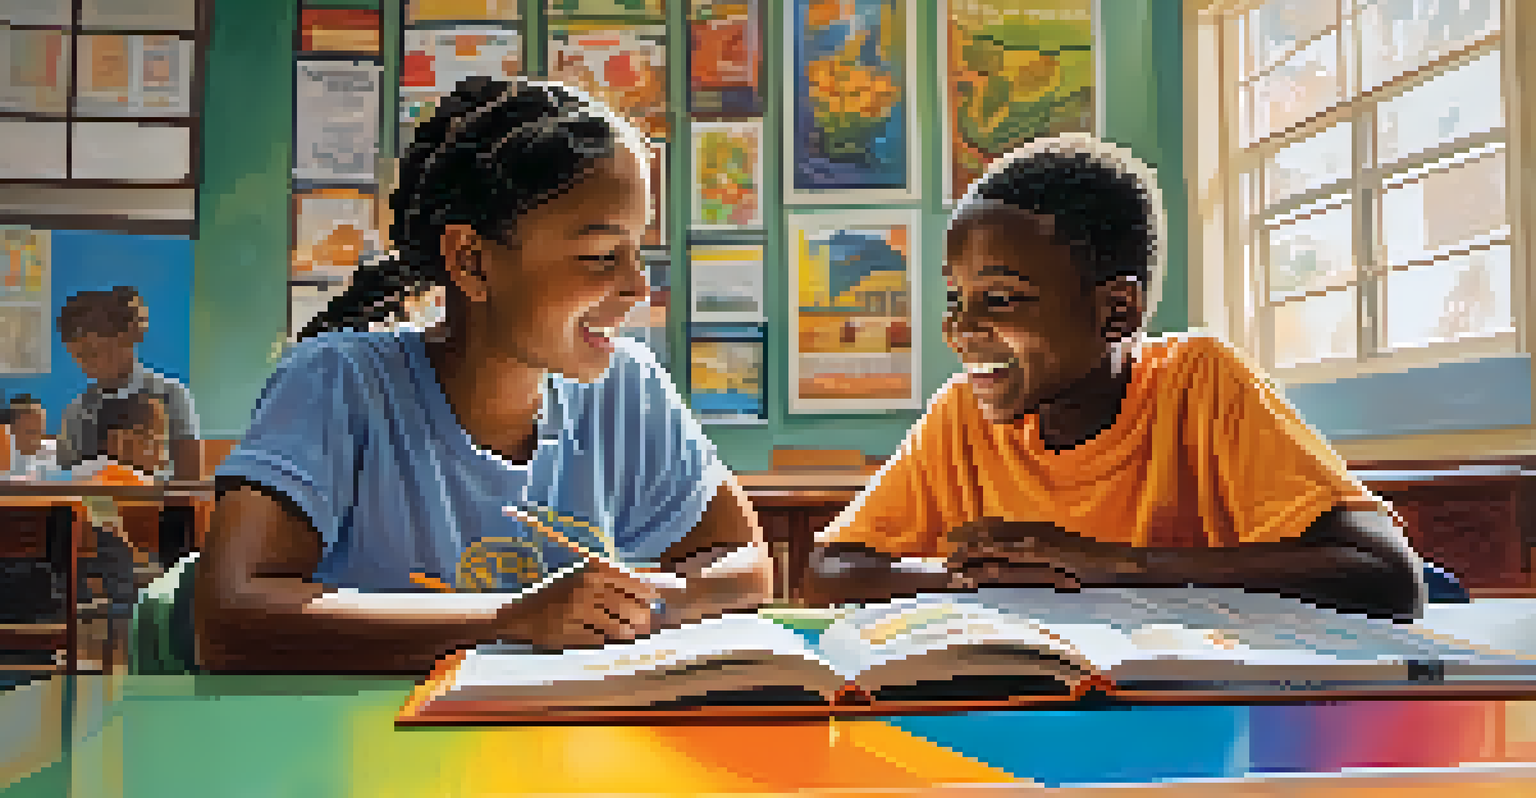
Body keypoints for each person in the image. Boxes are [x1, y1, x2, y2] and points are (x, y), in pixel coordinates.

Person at [198, 77, 773, 674]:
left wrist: (652, 602)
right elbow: (228, 617)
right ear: (471, 261)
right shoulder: (338, 385)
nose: (637, 287)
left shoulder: (628, 386)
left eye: (637, 252)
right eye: (602, 255)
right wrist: (513, 619)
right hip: (373, 751)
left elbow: (742, 561)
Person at [801, 134, 1426, 621]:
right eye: (957, 298)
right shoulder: (961, 415)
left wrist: (1111, 565)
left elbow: (1387, 575)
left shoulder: (1202, 384)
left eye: (999, 299)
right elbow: (831, 571)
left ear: (1115, 311)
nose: (961, 329)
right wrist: (988, 578)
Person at [55, 287, 201, 480]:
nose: (85, 366)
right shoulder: (79, 410)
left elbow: (190, 482)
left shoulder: (171, 396)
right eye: (77, 357)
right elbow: (65, 479)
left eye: (93, 353)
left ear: (126, 338)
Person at [4, 393, 57, 479]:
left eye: (40, 431)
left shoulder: (53, 450)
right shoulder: (5, 454)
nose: (37, 438)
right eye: (30, 432)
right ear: (13, 429)